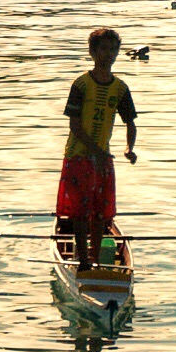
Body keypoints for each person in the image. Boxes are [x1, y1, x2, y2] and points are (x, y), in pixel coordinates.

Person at [57, 27, 138, 272]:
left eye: (113, 49)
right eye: (103, 49)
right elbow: (74, 124)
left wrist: (129, 148)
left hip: (103, 159)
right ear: (93, 52)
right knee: (80, 214)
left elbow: (130, 122)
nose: (109, 54)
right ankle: (83, 262)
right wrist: (94, 150)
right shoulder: (81, 84)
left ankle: (96, 258)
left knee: (101, 215)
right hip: (78, 157)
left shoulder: (120, 88)